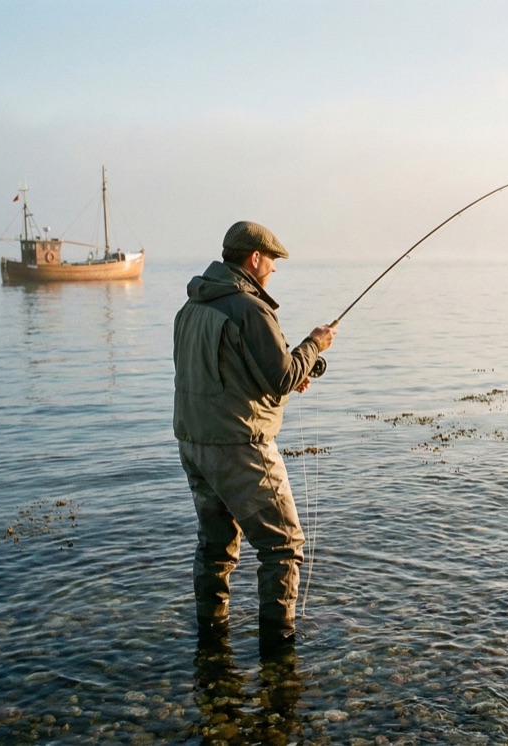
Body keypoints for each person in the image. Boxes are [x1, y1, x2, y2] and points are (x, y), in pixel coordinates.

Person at [173, 220, 335, 644]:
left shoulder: (190, 308)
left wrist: (287, 373)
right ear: (255, 258)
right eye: (273, 262)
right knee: (283, 545)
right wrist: (313, 345)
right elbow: (280, 377)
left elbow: (225, 374)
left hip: (192, 443)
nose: (274, 271)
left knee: (215, 546)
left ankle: (211, 635)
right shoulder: (250, 308)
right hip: (240, 446)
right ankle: (278, 651)